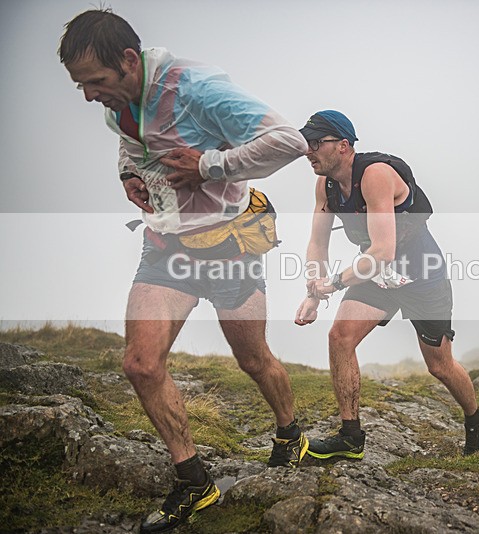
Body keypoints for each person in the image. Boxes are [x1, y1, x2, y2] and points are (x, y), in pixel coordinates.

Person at [59, 9, 308, 532]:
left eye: (95, 82)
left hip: (229, 249)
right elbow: (131, 144)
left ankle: (289, 431)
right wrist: (129, 174)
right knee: (140, 365)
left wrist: (208, 166)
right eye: (80, 85)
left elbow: (289, 141)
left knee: (255, 361)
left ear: (129, 60)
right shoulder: (119, 103)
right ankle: (194, 482)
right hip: (165, 247)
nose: (87, 96)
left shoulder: (194, 87)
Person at [293, 110, 479, 460]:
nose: (307, 150)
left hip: (421, 277)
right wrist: (313, 289)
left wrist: (335, 283)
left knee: (439, 365)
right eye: (305, 143)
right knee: (340, 337)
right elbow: (317, 243)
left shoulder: (376, 175)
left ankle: (476, 419)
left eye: (315, 143)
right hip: (378, 276)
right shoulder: (324, 186)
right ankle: (350, 436)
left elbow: (383, 251)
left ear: (342, 145)